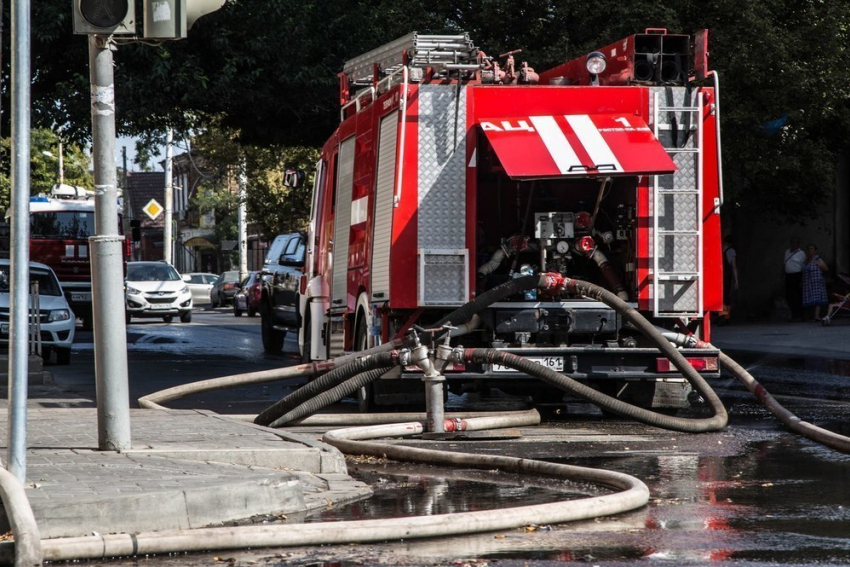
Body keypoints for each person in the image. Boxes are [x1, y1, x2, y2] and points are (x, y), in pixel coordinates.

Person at [801, 243, 828, 321]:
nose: (810, 251)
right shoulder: (806, 261)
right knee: (809, 298)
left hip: (816, 282)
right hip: (808, 283)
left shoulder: (818, 259)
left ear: (815, 250)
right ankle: (810, 316)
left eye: (811, 249)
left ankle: (817, 316)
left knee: (817, 299)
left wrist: (819, 267)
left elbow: (826, 269)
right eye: (808, 249)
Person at [783, 237, 806, 321]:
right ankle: (793, 314)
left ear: (798, 244)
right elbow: (785, 263)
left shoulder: (801, 253)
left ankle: (799, 315)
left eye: (795, 243)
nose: (793, 244)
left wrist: (802, 279)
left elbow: (803, 266)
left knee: (797, 296)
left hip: (797, 276)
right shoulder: (787, 252)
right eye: (792, 243)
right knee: (789, 296)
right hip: (788, 276)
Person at [718, 235, 738, 325]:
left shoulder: (719, 248)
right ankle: (726, 316)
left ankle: (720, 315)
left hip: (718, 275)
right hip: (727, 276)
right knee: (726, 297)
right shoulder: (731, 251)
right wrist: (736, 280)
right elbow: (733, 266)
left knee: (720, 296)